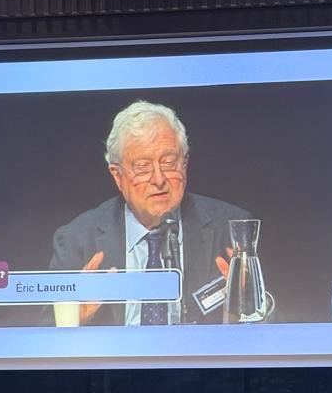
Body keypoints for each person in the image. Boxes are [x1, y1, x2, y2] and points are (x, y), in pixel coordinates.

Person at [49, 100, 251, 326]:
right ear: (117, 176)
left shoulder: (232, 229)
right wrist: (75, 320)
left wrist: (252, 306)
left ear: (184, 165)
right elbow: (36, 335)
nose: (159, 179)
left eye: (168, 163)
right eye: (143, 167)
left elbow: (280, 325)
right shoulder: (77, 239)